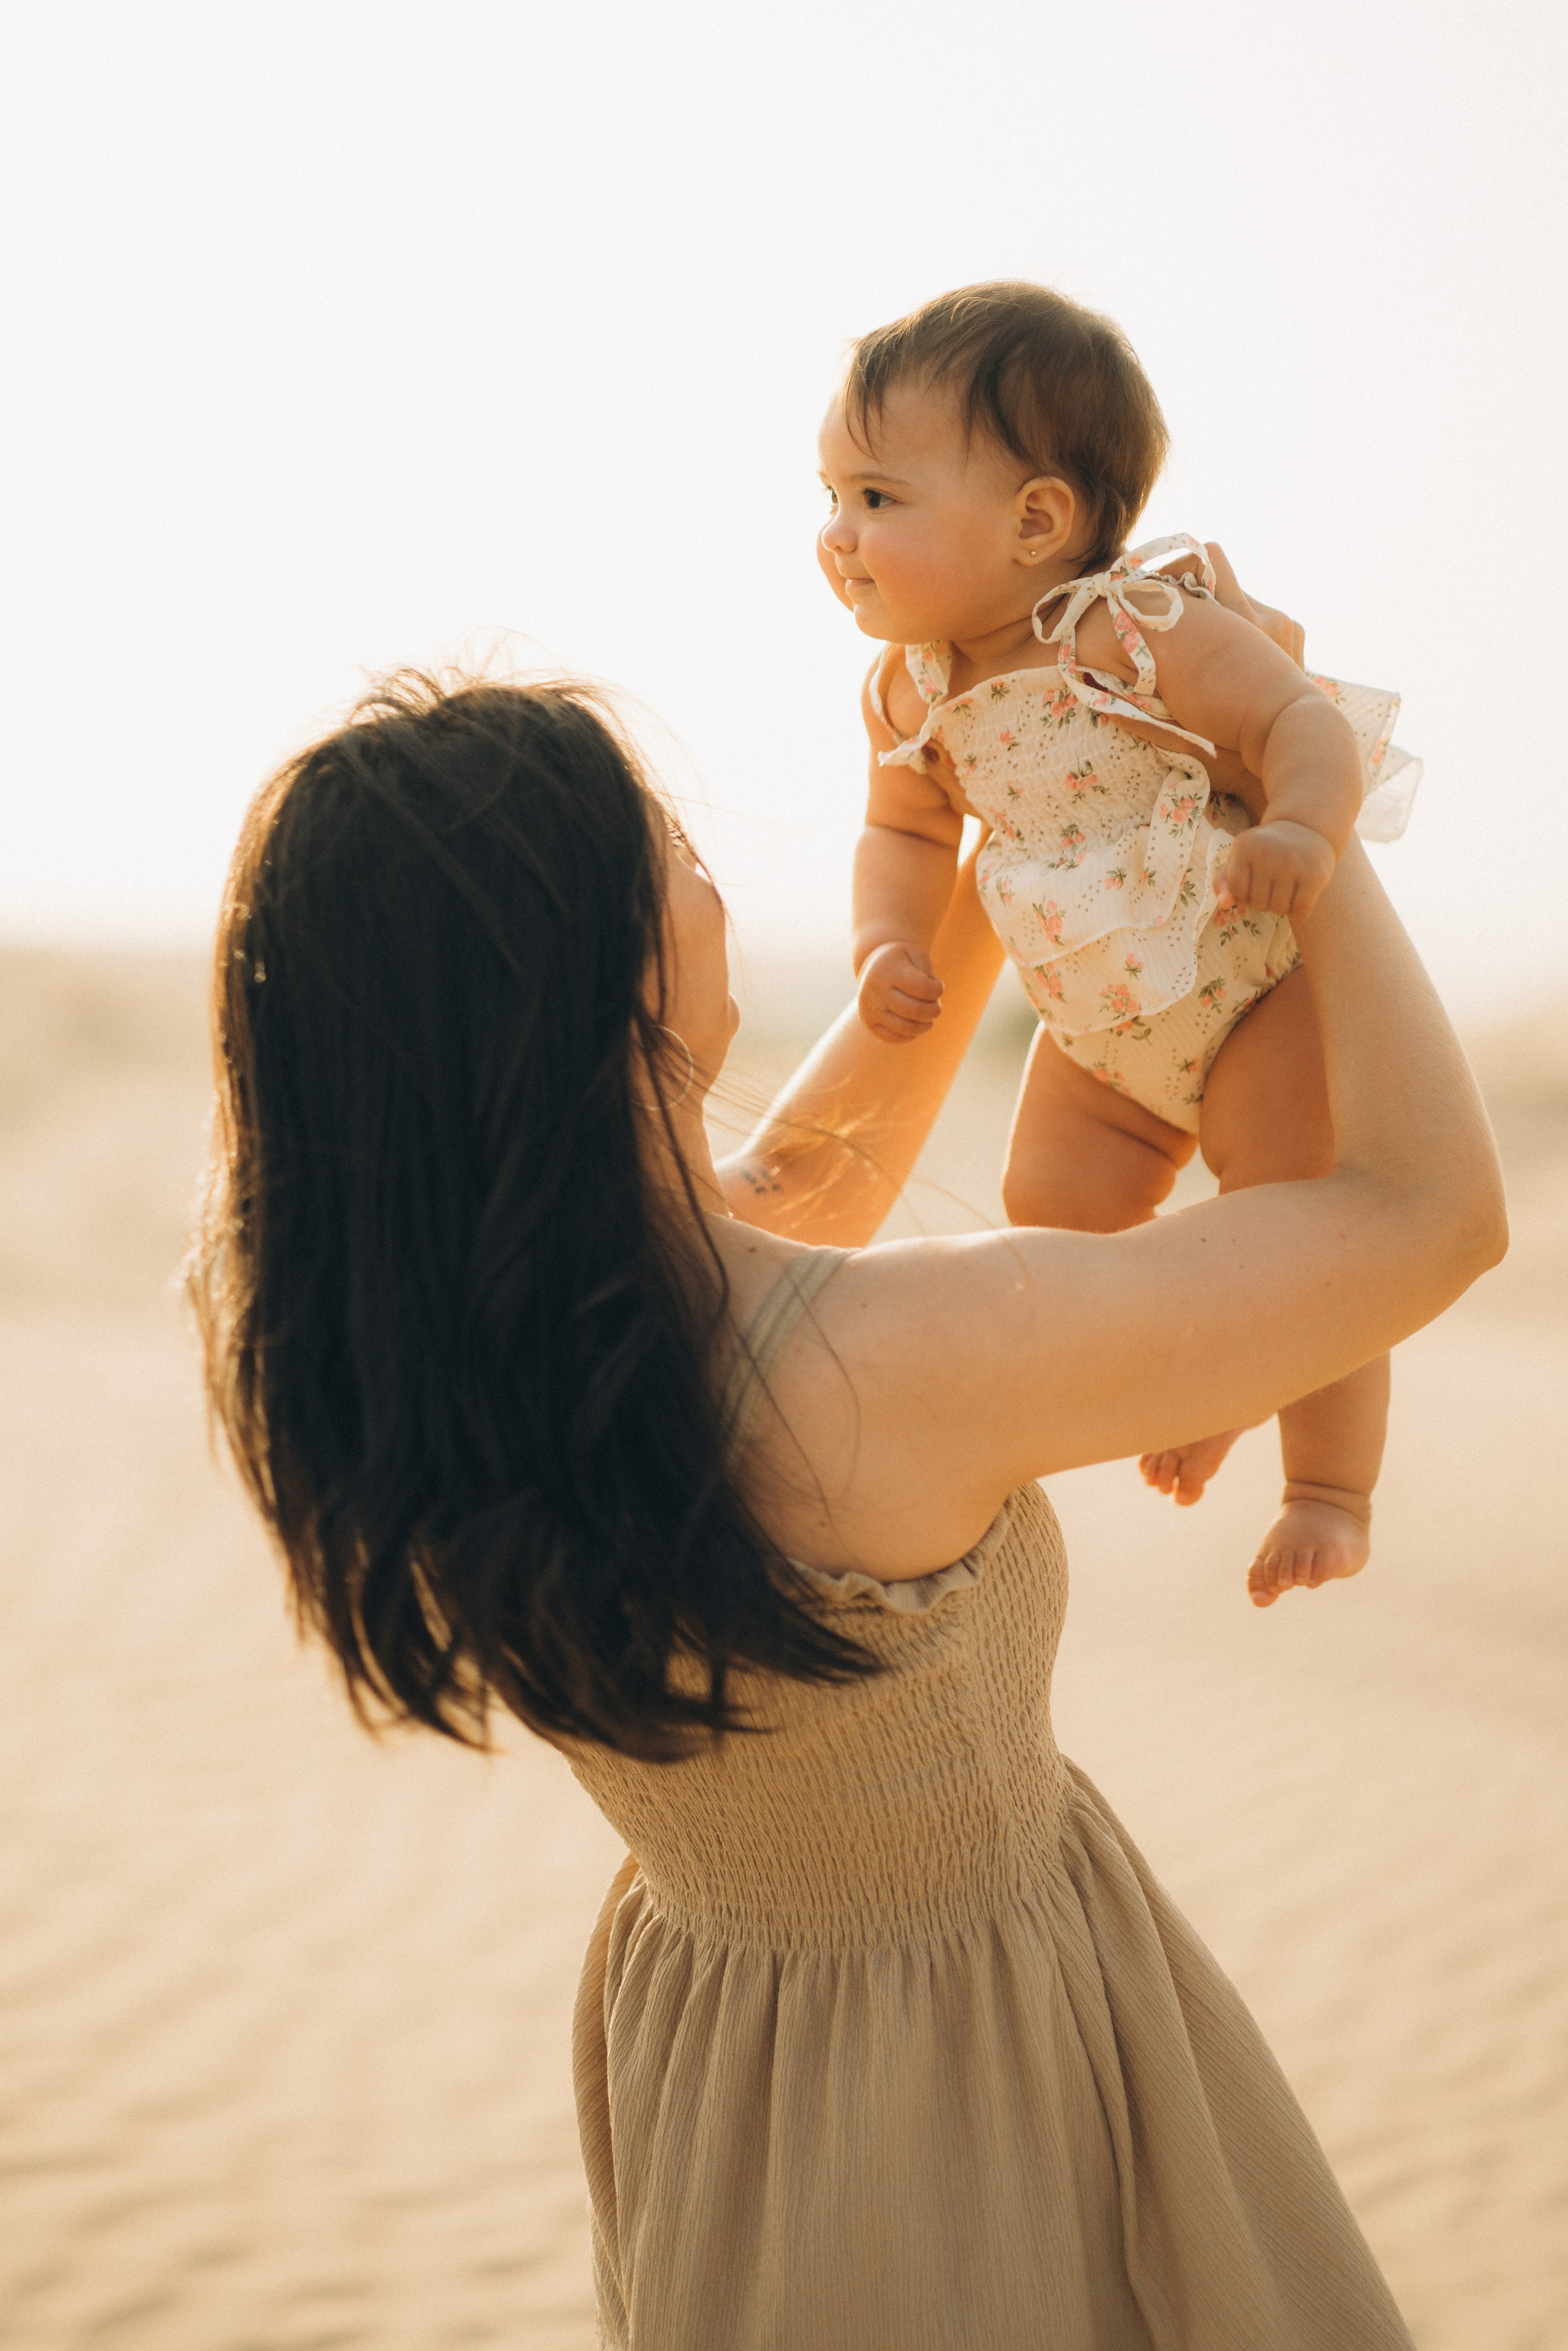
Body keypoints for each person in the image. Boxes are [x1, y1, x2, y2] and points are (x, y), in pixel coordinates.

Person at [190, 649, 1504, 2350]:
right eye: (671, 847)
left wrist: (1009, 803)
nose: (711, 877)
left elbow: (806, 1178)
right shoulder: (888, 1358)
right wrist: (1298, 803)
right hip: (973, 2079)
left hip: (729, 2056)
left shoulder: (479, 1359)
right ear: (617, 966)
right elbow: (1427, 1213)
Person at [821, 281, 1422, 1602]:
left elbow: (1296, 724)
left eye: (874, 498)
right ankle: (1199, 1375)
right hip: (1095, 1022)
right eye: (829, 497)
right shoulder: (907, 690)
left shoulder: (1133, 632)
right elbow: (907, 839)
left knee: (1295, 1219)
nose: (835, 535)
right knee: (1055, 1216)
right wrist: (883, 944)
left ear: (1035, 519)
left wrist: (1305, 839)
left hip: (1246, 976)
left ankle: (1327, 1482)